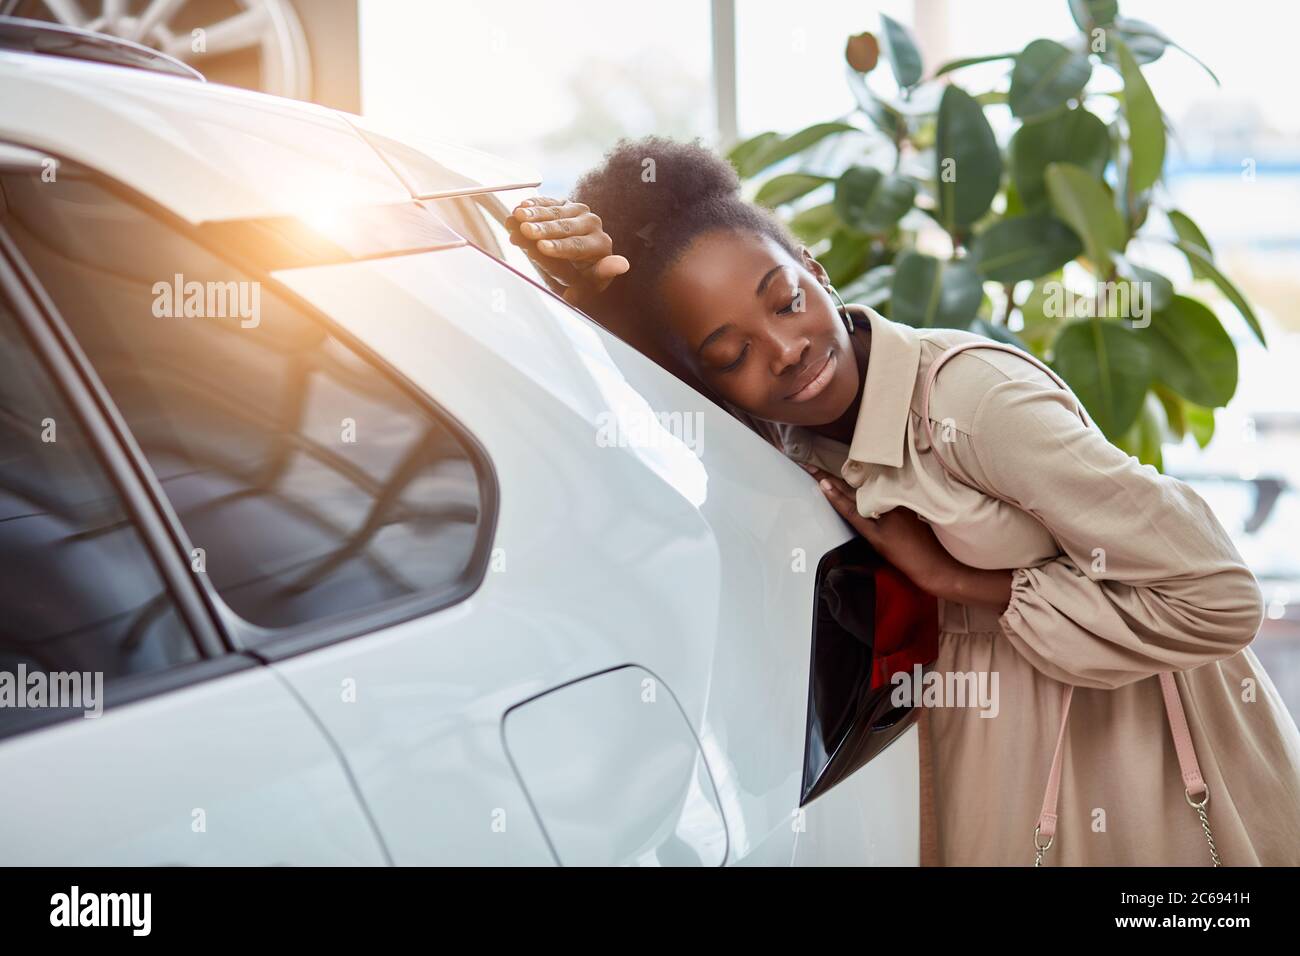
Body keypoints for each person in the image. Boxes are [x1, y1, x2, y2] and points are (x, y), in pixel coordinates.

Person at [504, 135, 1300, 865]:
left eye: (784, 301)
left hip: (1126, 757)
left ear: (816, 269)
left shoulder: (975, 403)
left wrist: (961, 582)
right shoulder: (786, 445)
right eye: (733, 353)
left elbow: (1221, 596)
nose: (785, 351)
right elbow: (630, 420)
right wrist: (585, 294)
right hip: (977, 760)